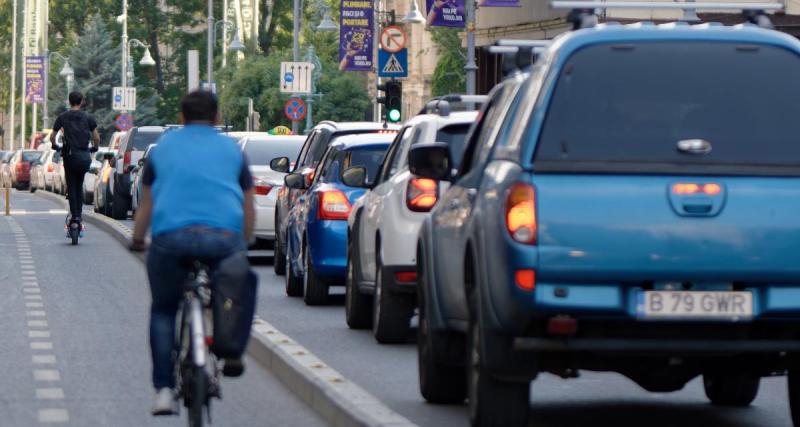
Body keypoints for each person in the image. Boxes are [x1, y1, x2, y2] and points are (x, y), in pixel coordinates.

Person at [130, 90, 255, 415]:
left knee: (163, 310)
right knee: (240, 284)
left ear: (182, 118)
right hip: (223, 239)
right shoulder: (233, 150)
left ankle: (163, 391)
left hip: (171, 239)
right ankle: (231, 350)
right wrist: (245, 241)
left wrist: (138, 239)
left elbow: (147, 204)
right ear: (216, 119)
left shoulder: (163, 149)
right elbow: (248, 204)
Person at [50, 91, 100, 222]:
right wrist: (95, 147)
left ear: (69, 101)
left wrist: (54, 145)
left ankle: (75, 215)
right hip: (84, 158)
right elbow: (96, 137)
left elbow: (52, 136)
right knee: (79, 184)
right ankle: (79, 215)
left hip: (70, 156)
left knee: (71, 185)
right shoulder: (88, 117)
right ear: (81, 101)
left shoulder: (62, 117)